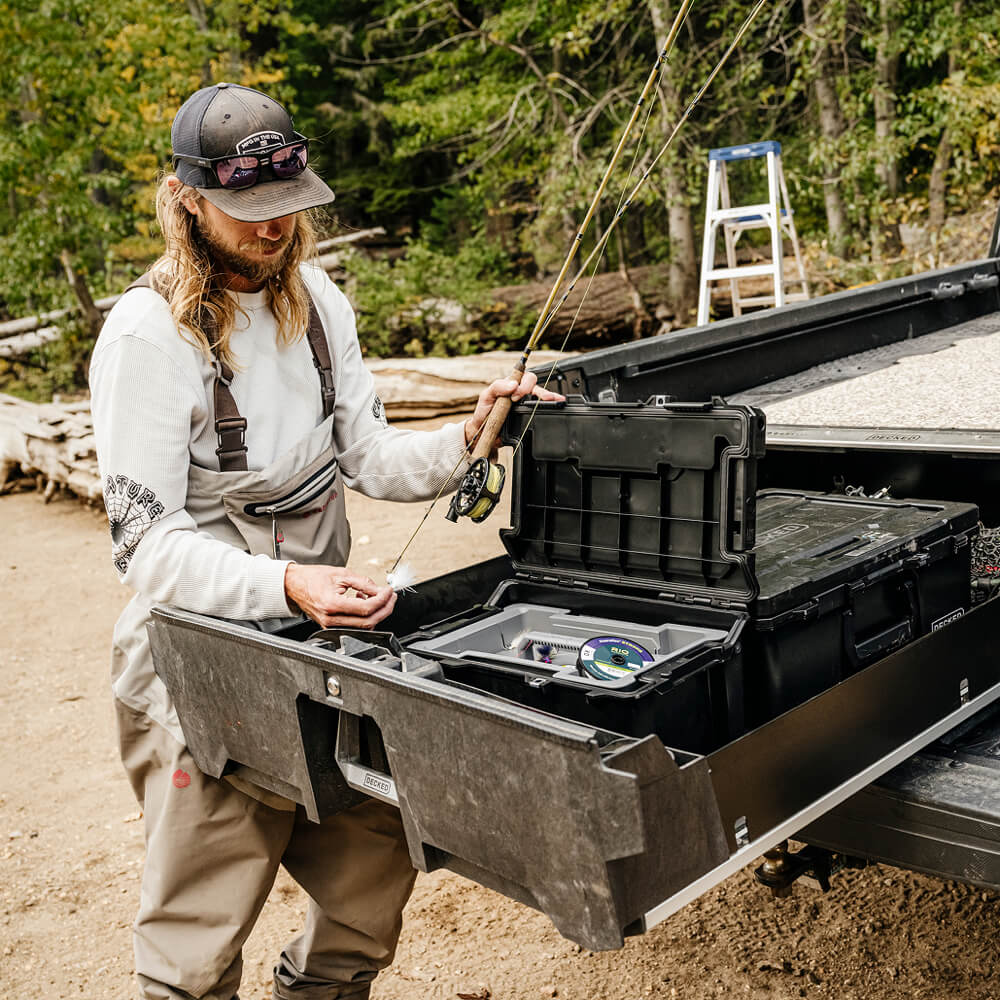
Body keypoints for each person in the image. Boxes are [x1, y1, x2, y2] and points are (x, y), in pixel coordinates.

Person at [89, 81, 561, 1000]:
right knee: (194, 945)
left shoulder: (319, 305)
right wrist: (290, 585)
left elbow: (371, 458)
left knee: (373, 865)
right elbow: (145, 549)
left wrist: (471, 438)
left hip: (321, 651)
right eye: (248, 210)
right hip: (201, 673)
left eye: (288, 204)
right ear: (186, 200)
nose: (274, 228)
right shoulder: (146, 338)